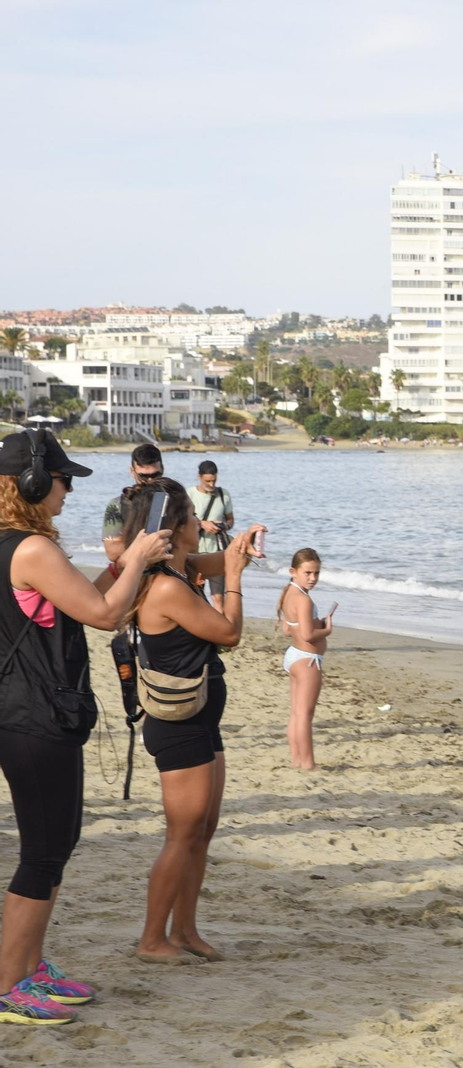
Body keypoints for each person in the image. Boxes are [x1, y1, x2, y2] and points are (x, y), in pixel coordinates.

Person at [0, 430, 174, 1025]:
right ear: (29, 484)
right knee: (43, 851)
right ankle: (9, 983)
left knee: (58, 843)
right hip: (33, 715)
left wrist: (123, 564)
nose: (68, 490)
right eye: (62, 480)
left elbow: (83, 601)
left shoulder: (19, 545)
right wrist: (140, 560)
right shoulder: (31, 549)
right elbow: (104, 616)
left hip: (30, 711)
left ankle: (30, 966)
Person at [120, 480, 263, 965]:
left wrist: (239, 547)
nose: (198, 523)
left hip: (201, 717)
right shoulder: (164, 585)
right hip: (178, 724)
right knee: (181, 835)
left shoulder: (179, 567)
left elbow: (217, 561)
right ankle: (151, 939)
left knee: (202, 829)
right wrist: (235, 581)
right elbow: (229, 633)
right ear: (177, 524)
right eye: (190, 516)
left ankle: (184, 930)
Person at [278, 549, 334, 770]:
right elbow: (308, 635)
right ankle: (308, 763)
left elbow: (287, 630)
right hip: (307, 660)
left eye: (316, 573)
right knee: (304, 715)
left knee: (296, 713)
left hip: (294, 656)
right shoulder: (303, 600)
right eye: (308, 573)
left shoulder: (288, 593)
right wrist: (326, 629)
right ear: (293, 571)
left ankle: (297, 760)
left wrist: (315, 624)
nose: (313, 578)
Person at [100, 443, 164, 562]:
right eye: (143, 476)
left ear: (162, 469)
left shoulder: (178, 499)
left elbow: (190, 544)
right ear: (132, 471)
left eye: (155, 475)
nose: (150, 481)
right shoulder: (118, 505)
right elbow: (113, 551)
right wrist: (149, 548)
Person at [185, 461, 234, 611]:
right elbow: (182, 521)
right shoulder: (189, 494)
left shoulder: (223, 494)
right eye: (207, 481)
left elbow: (231, 520)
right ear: (199, 477)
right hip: (194, 553)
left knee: (218, 597)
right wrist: (202, 524)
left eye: (214, 480)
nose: (211, 484)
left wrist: (223, 526)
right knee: (195, 593)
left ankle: (218, 624)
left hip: (217, 552)